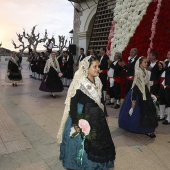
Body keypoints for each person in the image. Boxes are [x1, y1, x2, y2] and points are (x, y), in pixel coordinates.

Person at [57, 55, 116, 170]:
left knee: (100, 141)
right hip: (83, 114)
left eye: (98, 66)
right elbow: (73, 104)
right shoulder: (80, 83)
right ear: (87, 68)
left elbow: (101, 99)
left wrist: (105, 114)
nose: (97, 69)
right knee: (83, 142)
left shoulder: (98, 80)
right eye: (95, 66)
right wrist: (75, 122)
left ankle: (100, 163)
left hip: (97, 115)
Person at [119, 57, 158, 138]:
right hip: (138, 94)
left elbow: (146, 85)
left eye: (147, 62)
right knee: (140, 112)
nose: (146, 64)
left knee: (149, 111)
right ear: (140, 63)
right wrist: (133, 100)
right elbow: (136, 86)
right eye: (145, 62)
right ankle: (142, 129)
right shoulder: (138, 72)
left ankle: (149, 130)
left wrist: (149, 94)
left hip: (145, 93)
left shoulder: (145, 71)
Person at [158, 51, 170, 125]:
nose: (167, 55)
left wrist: (164, 66)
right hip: (162, 84)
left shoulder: (166, 63)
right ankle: (161, 115)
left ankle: (168, 118)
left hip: (168, 85)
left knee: (169, 102)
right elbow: (163, 70)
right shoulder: (166, 62)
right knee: (161, 99)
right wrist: (160, 67)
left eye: (168, 54)